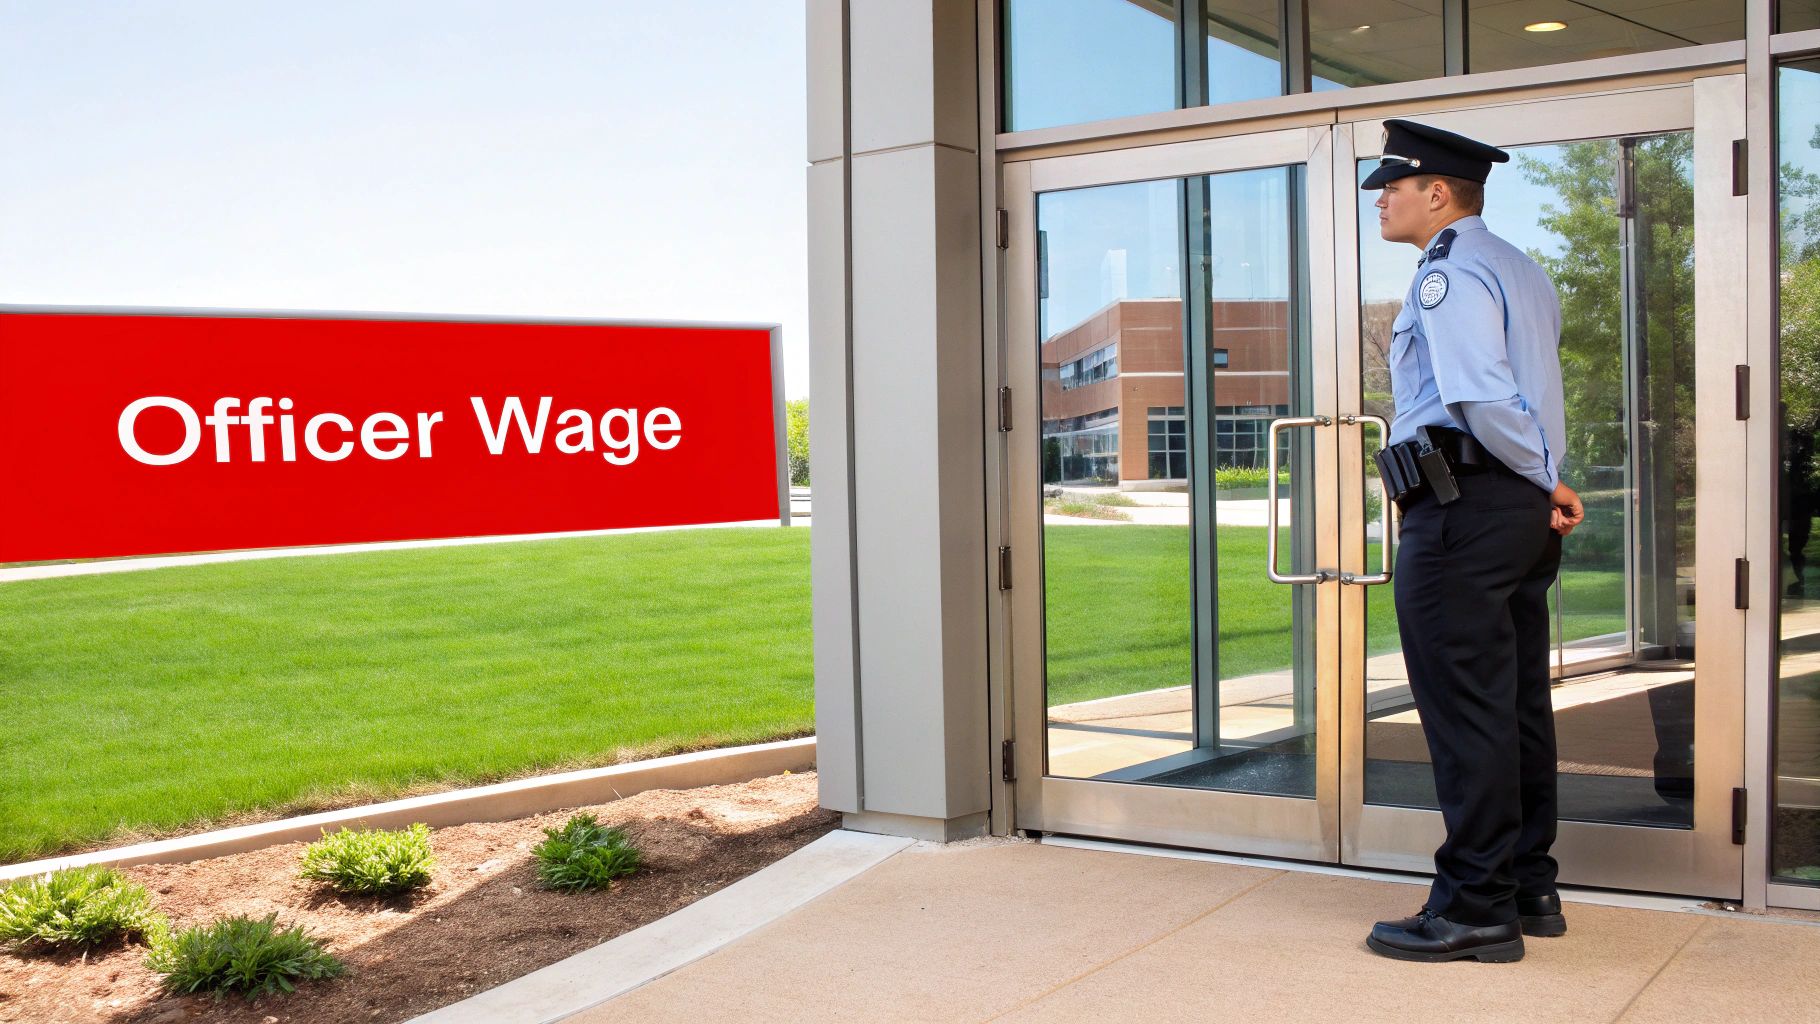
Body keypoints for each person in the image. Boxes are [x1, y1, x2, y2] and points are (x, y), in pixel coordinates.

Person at [1360, 119, 1586, 964]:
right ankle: (1528, 881)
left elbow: (1484, 399)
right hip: (1513, 516)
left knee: (1466, 713)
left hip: (1461, 511)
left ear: (1440, 192)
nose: (1382, 198)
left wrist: (1544, 478)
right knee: (1517, 702)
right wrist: (1544, 484)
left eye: (1394, 184)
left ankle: (1475, 905)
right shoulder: (1521, 269)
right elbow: (1539, 396)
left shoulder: (1447, 277)